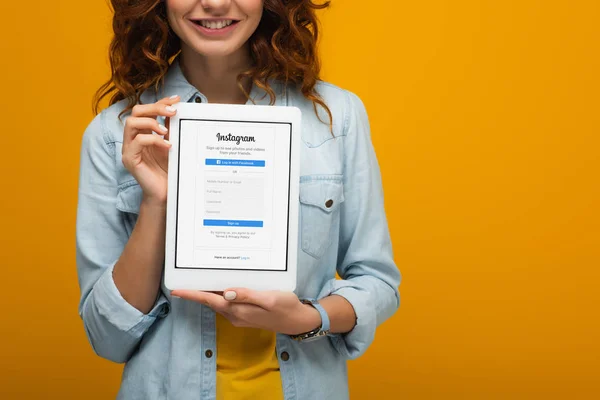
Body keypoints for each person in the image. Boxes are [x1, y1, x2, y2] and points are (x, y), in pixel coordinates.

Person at [75, 0, 401, 399]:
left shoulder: (337, 117)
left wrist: (305, 319)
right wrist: (157, 202)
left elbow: (377, 281)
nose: (213, 3)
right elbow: (107, 338)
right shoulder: (116, 133)